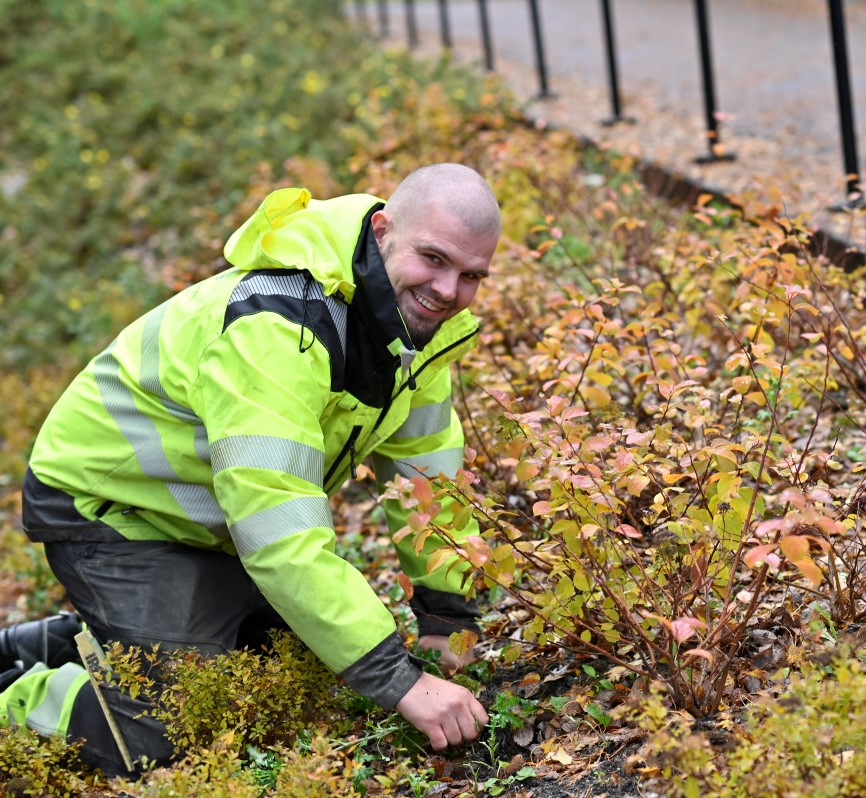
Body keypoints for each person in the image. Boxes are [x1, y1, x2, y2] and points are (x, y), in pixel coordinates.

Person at [0, 163, 499, 775]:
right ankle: (19, 703)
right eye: (433, 258)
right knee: (173, 731)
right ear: (381, 230)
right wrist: (401, 682)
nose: (449, 291)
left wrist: (445, 616)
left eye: (472, 276)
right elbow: (277, 526)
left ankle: (52, 642)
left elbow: (430, 483)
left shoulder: (415, 332)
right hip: (112, 505)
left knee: (288, 674)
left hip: (208, 514)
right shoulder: (278, 325)